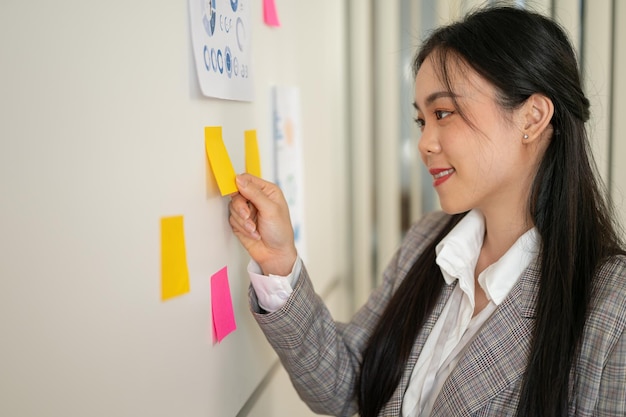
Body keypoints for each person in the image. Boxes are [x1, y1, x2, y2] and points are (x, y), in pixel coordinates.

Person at [229, 5, 626, 417]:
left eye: (443, 113)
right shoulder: (428, 240)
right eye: (422, 121)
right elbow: (348, 388)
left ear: (533, 117)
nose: (425, 143)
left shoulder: (612, 305)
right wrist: (279, 262)